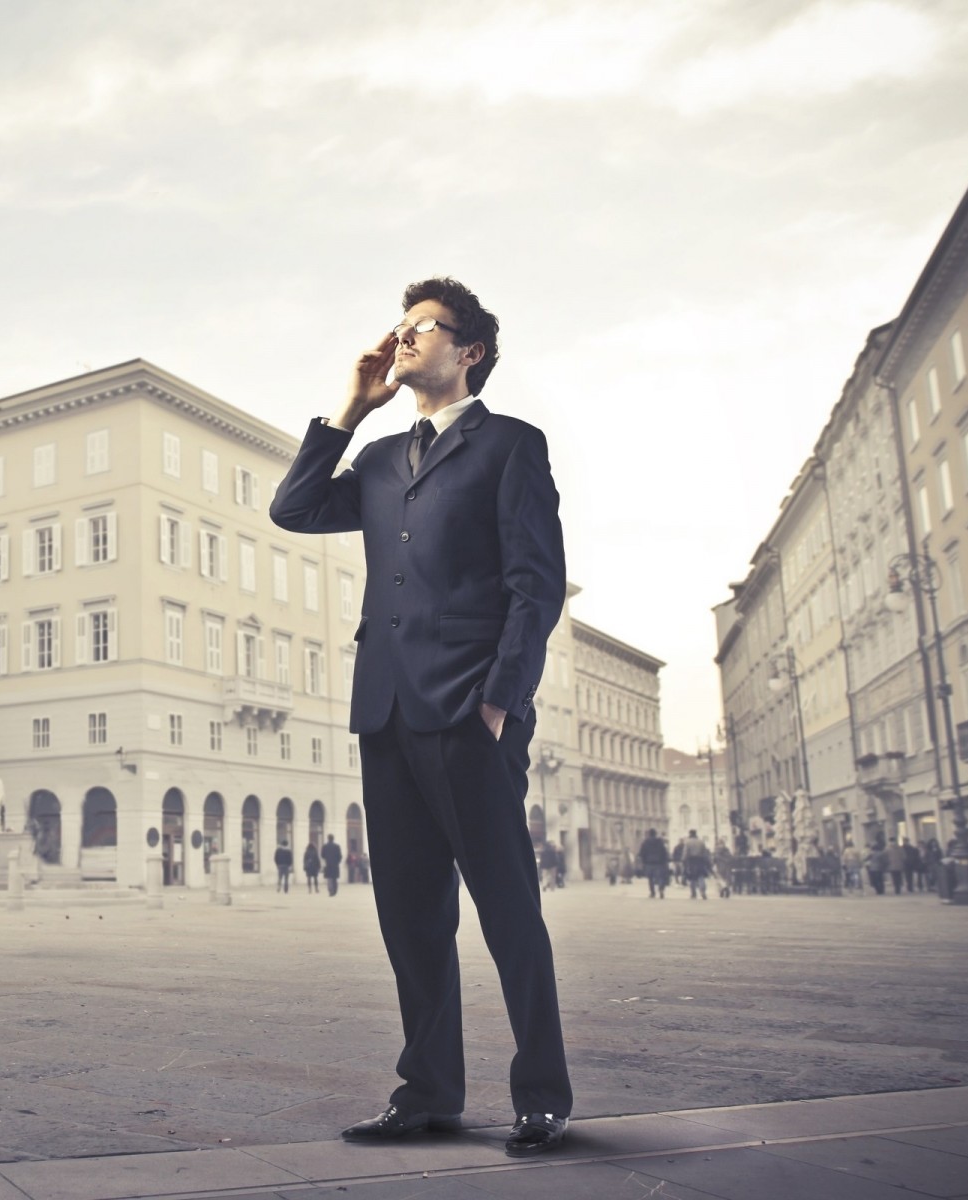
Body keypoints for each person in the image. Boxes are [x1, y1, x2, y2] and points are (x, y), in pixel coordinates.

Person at [271, 276, 571, 1158]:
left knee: (508, 910)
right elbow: (293, 508)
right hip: (387, 710)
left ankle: (543, 1097)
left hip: (470, 709)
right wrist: (350, 409)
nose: (402, 338)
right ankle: (429, 1093)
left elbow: (536, 585)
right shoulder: (375, 459)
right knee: (410, 917)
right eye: (398, 326)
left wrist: (500, 701)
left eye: (423, 327)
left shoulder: (510, 445)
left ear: (469, 350)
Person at [637, 829, 669, 899]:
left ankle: (652, 892)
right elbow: (664, 852)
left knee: (650, 878)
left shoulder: (645, 842)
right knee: (660, 877)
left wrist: (643, 861)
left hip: (649, 863)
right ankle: (661, 889)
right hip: (659, 863)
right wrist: (665, 860)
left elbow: (642, 853)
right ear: (655, 834)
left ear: (649, 834)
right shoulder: (660, 842)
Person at [682, 829, 710, 900]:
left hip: (691, 861)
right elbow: (705, 853)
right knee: (701, 876)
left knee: (692, 878)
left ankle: (693, 893)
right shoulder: (701, 842)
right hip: (700, 861)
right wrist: (707, 861)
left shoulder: (687, 842)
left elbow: (685, 853)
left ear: (690, 834)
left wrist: (684, 860)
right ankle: (703, 891)